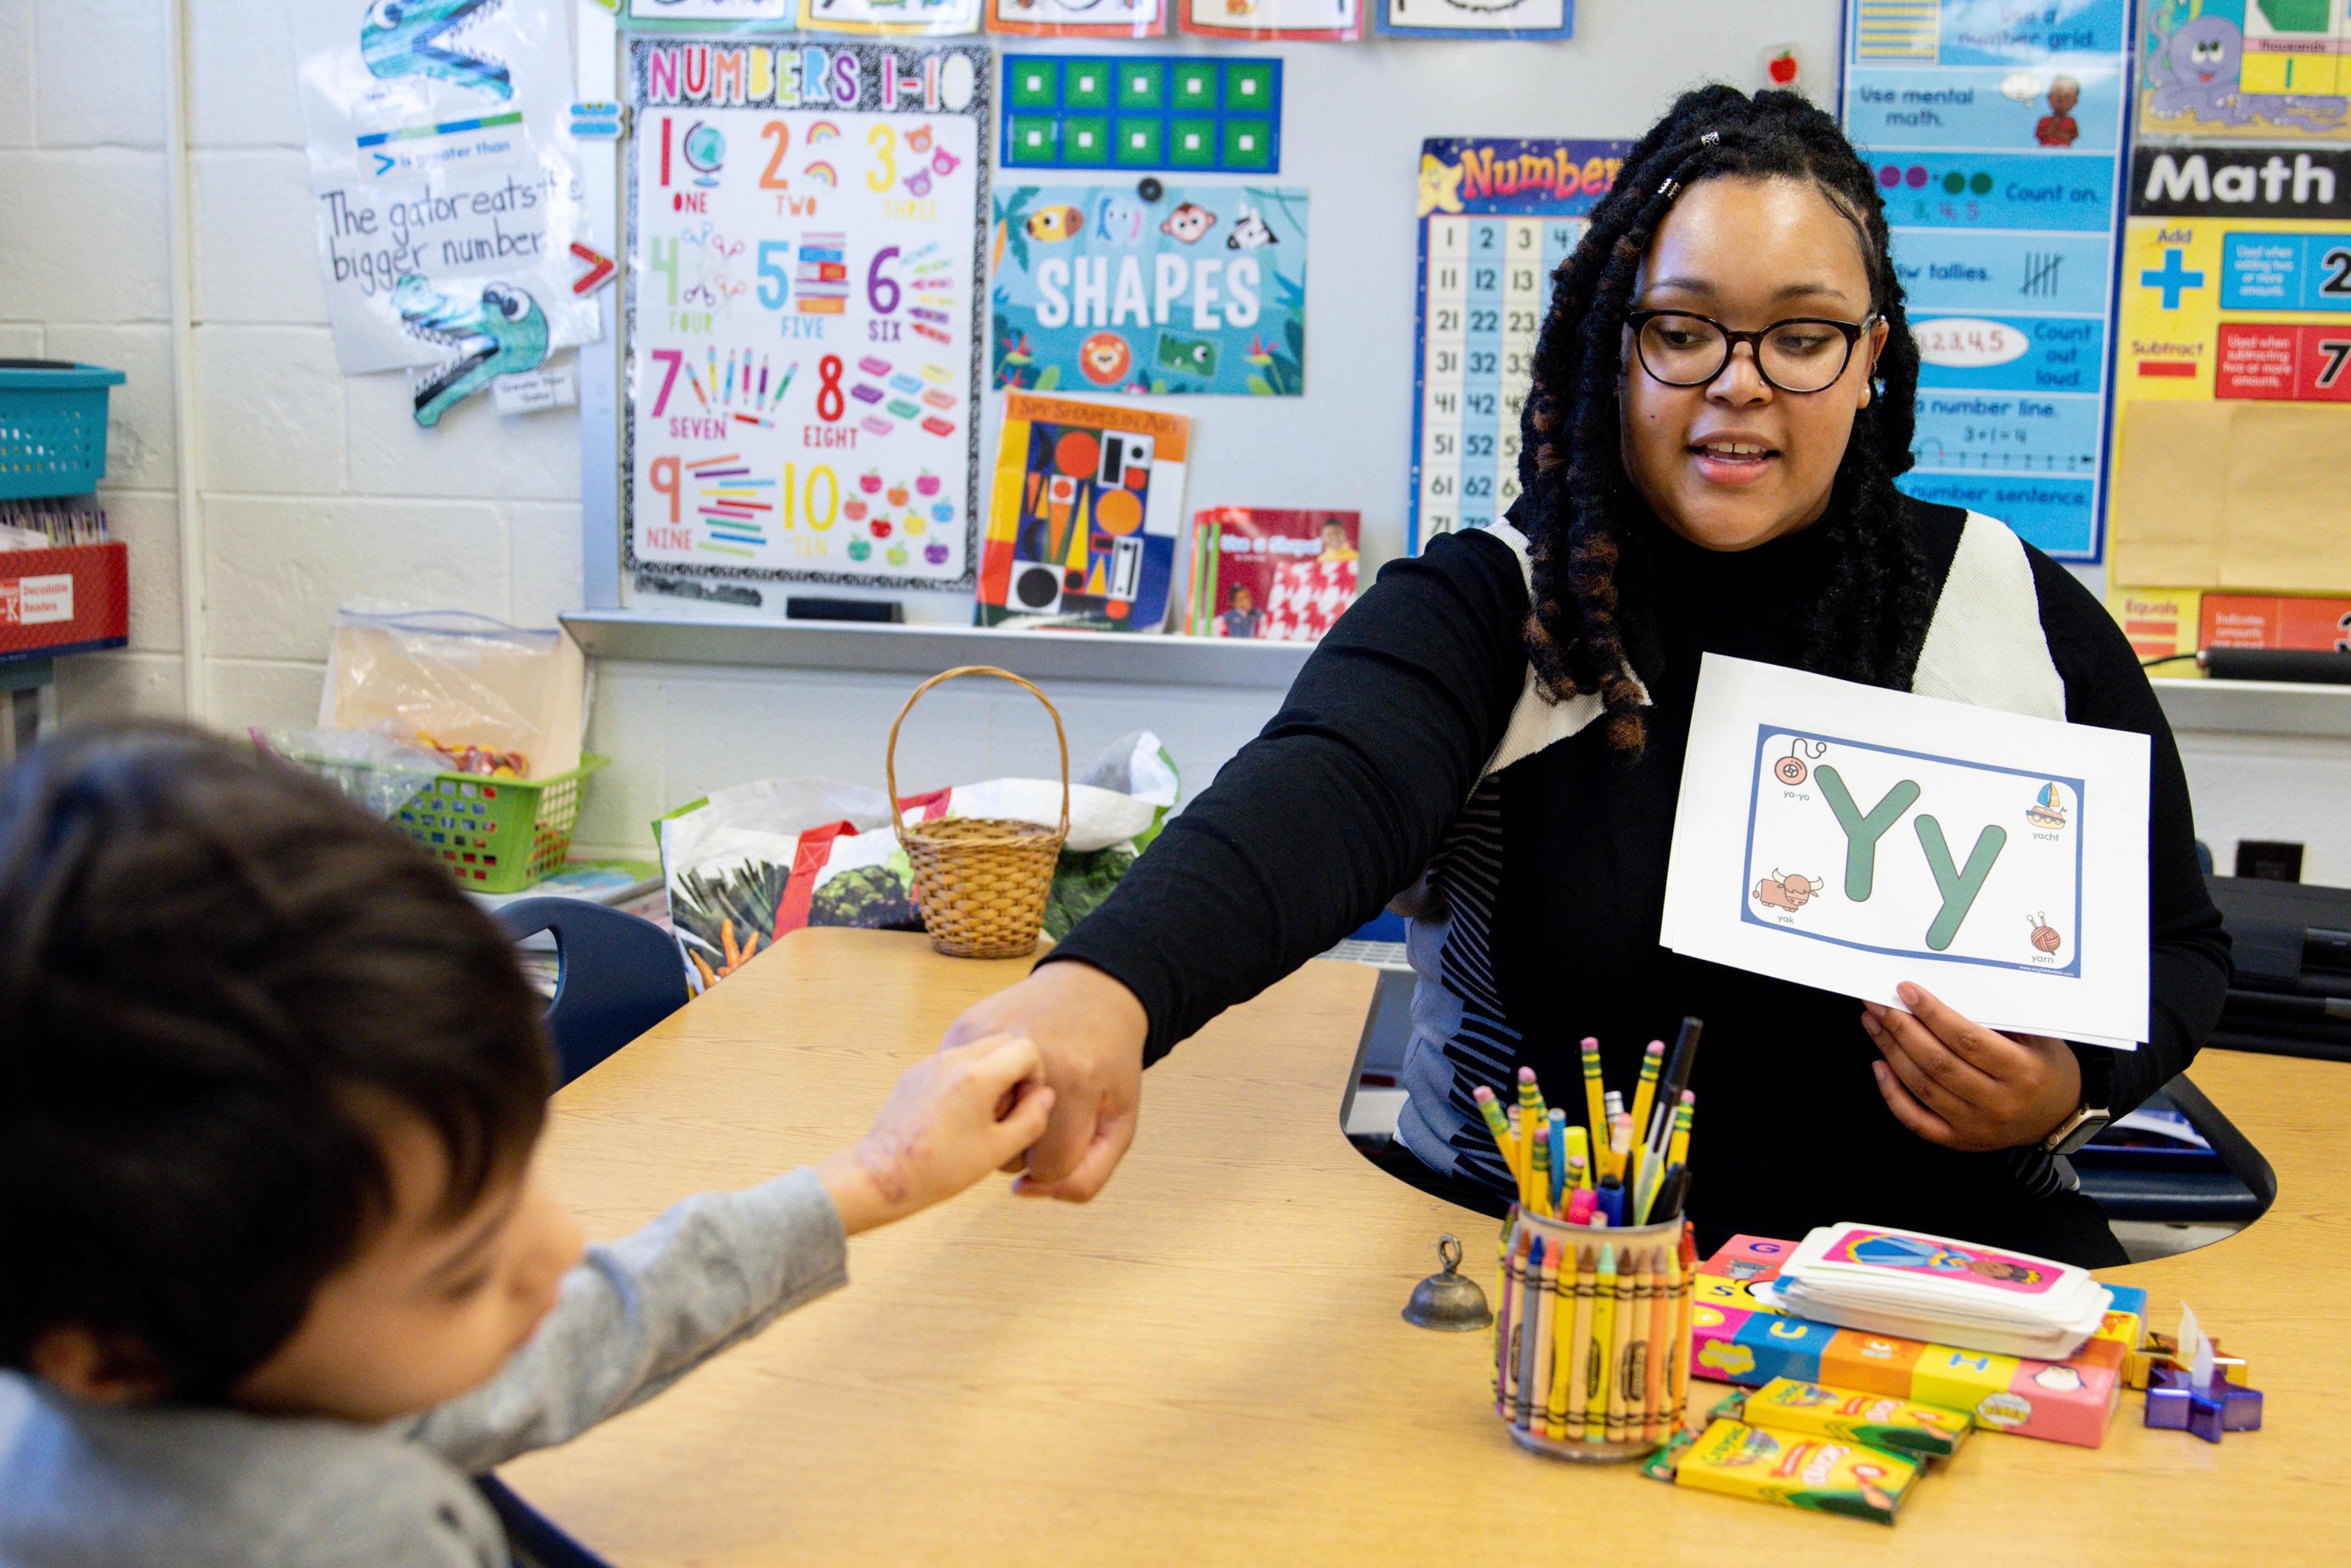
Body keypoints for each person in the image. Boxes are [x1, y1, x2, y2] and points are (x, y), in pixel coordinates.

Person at [940, 88, 2229, 1267]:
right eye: (1682, 330)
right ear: (1617, 344)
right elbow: (1325, 782)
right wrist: (1103, 990)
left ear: (1870, 356)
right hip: (1543, 1285)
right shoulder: (1505, 602)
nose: (1738, 383)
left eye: (1801, 338)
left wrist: (2070, 1083)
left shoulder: (2009, 607)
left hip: (1947, 1286)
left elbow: (2175, 943)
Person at [0, 725, 1053, 1566]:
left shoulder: (171, 1368)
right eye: (464, 1273)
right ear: (105, 1354)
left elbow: (558, 1338)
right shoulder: (353, 1530)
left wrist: (874, 1179)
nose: (558, 1252)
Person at [2036, 76, 2081, 148]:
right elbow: (2041, 135)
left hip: (2064, 150)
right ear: (2049, 97)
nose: (2062, 101)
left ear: (2075, 101)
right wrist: (2054, 124)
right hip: (2046, 149)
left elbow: (2071, 137)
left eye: (2067, 98)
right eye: (2058, 97)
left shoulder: (2071, 121)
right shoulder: (2044, 120)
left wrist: (2056, 131)